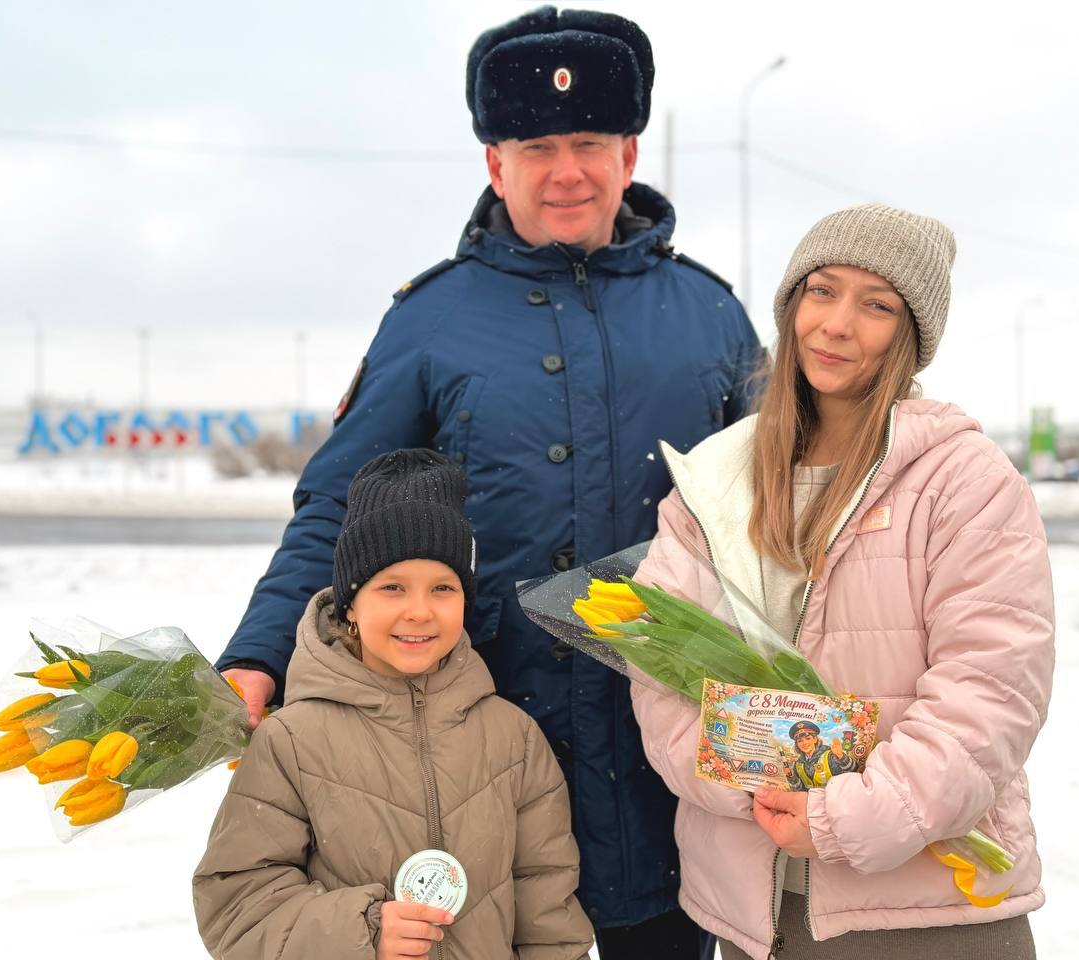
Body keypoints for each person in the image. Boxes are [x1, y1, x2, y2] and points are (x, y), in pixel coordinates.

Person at [215, 7, 759, 955]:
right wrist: (261, 653)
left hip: (672, 765)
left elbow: (786, 515)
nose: (566, 171)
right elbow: (340, 507)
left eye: (589, 143)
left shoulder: (708, 314)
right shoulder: (432, 320)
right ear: (494, 164)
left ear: (629, 154)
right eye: (536, 146)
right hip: (483, 761)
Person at [629, 203, 1054, 959]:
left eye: (877, 306)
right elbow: (659, 673)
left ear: (910, 335)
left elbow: (991, 693)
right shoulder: (717, 477)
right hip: (758, 911)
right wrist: (758, 787)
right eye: (821, 291)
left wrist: (848, 815)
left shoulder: (963, 479)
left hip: (929, 911)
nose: (836, 325)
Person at [194, 449, 594, 960]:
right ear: (350, 605)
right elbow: (237, 907)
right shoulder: (290, 741)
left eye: (443, 588)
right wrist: (363, 932)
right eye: (392, 588)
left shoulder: (514, 738)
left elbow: (549, 911)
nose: (420, 611)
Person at [783, 720, 852, 791]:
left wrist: (841, 756)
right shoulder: (798, 764)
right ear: (797, 744)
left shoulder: (830, 754)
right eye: (800, 741)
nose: (804, 743)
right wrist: (791, 777)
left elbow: (852, 772)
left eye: (808, 738)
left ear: (815, 739)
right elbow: (799, 790)